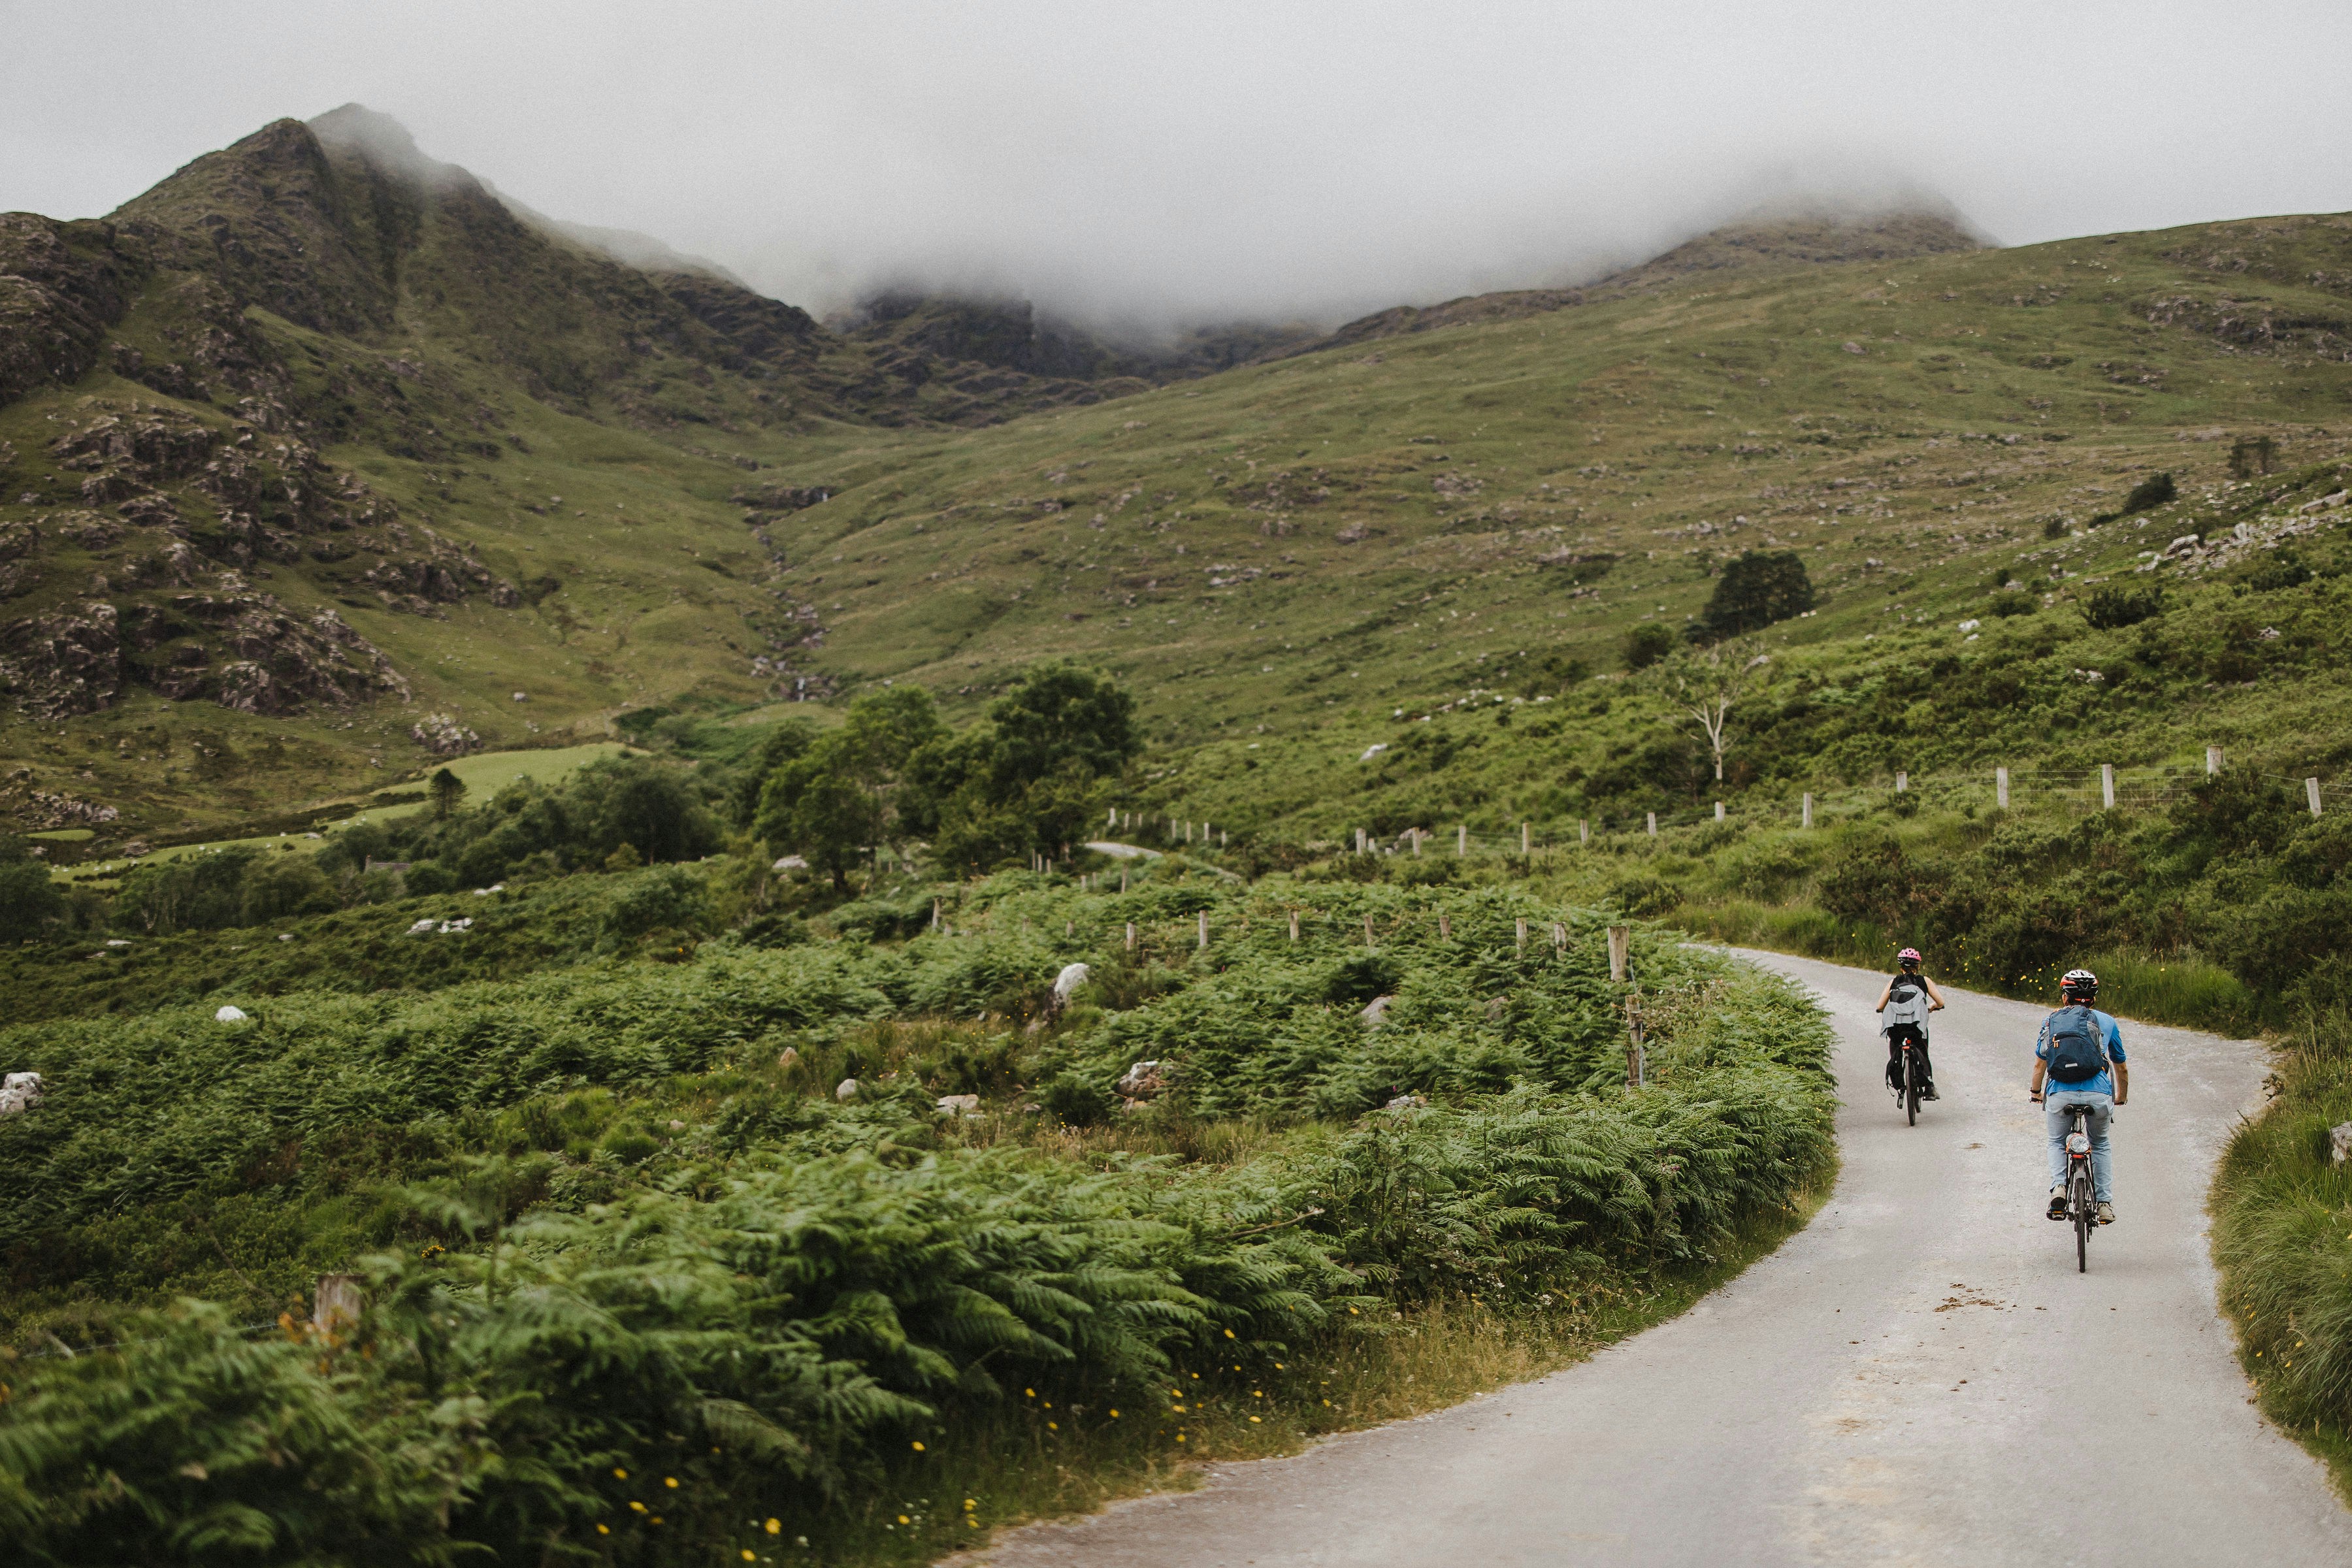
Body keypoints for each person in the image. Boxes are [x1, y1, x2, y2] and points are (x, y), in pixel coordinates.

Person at [2029, 968, 2129, 1225]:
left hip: (2061, 1093)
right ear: (2094, 998)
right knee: (2101, 1143)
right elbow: (2121, 1066)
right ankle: (2104, 1204)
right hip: (2099, 1094)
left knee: (2056, 1141)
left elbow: (2040, 1064)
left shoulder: (2052, 1020)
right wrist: (2120, 1096)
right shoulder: (2107, 1021)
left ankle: (2060, 1188)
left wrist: (2036, 1092)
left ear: (2065, 996)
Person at [1874, 947, 1946, 1100]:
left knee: (1895, 1048)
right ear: (1917, 966)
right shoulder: (1924, 981)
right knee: (1921, 1047)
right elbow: (1940, 1002)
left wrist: (1882, 1010)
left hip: (1895, 1025)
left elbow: (1880, 1006)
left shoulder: (1893, 982)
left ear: (1901, 968)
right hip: (1915, 1025)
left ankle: (1899, 1084)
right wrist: (1933, 1007)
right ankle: (1929, 1087)